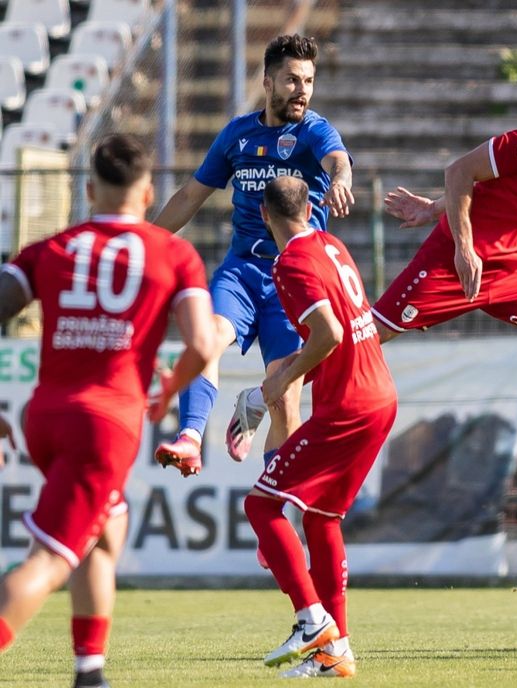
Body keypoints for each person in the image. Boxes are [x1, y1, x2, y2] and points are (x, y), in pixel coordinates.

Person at [233, 93, 517, 501]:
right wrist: (463, 247)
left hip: (506, 275)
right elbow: (459, 172)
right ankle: (258, 398)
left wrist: (435, 209)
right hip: (455, 267)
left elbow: (499, 197)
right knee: (362, 337)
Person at [0, 134, 215, 688]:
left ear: (90, 189)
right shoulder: (173, 254)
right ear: (148, 195)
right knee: (48, 561)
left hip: (44, 417)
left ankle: (89, 671)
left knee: (105, 528)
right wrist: (168, 393)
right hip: (105, 425)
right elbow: (202, 345)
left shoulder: (51, 248)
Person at [152, 34, 355, 479]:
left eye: (308, 80)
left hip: (296, 281)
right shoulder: (237, 134)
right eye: (291, 80)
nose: (301, 89)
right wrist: (146, 242)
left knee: (286, 400)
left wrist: (341, 179)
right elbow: (190, 196)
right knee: (206, 338)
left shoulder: (315, 131)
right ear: (267, 82)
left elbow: (338, 160)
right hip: (242, 273)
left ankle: (277, 504)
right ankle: (190, 437)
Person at [244, 176, 396, 679]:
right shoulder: (332, 244)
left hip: (348, 406)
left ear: (264, 215)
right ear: (310, 208)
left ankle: (311, 621)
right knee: (321, 519)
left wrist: (283, 378)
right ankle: (337, 651)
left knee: (261, 504)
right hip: (379, 396)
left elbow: (329, 333)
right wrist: (271, 385)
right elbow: (338, 331)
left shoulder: (289, 262)